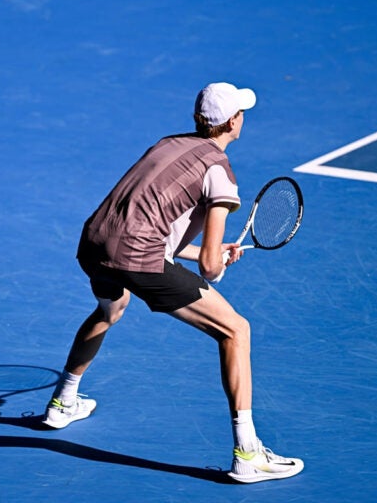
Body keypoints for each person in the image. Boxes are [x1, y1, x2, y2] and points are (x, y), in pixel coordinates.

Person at [42, 82, 304, 483]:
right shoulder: (220, 173)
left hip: (95, 243)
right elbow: (210, 269)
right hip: (136, 256)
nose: (243, 118)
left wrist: (205, 253)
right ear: (231, 123)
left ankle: (63, 401)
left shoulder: (168, 144)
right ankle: (248, 453)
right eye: (240, 113)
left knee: (111, 308)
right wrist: (216, 259)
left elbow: (150, 228)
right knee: (235, 330)